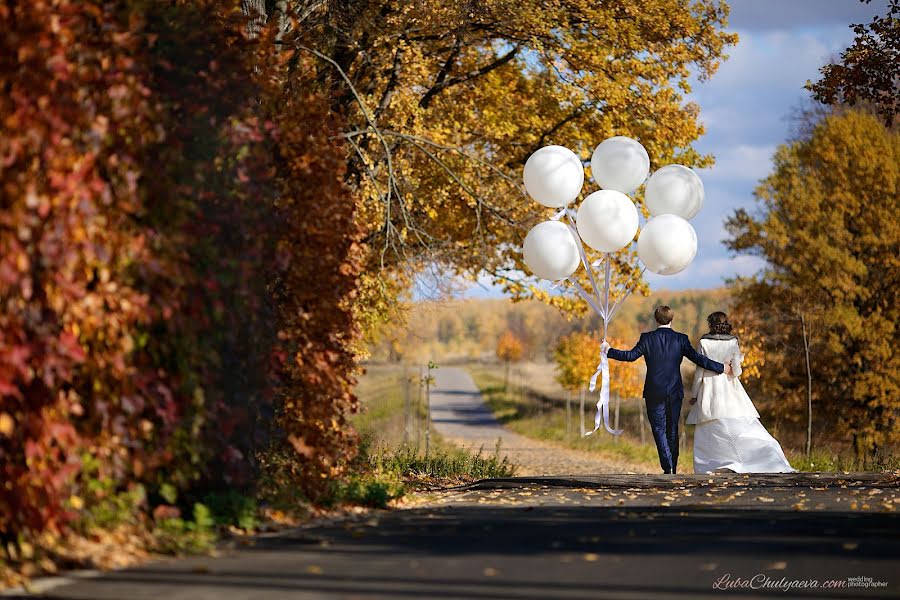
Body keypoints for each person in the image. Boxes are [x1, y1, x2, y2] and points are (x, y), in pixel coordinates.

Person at [602, 305, 732, 474]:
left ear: (656, 320)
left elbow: (629, 356)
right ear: (672, 319)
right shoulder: (681, 339)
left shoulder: (647, 338)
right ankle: (673, 468)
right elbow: (698, 359)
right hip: (674, 391)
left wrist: (608, 350)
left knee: (659, 429)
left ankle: (667, 467)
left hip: (653, 391)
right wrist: (721, 368)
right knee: (672, 430)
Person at [687, 312, 796, 474]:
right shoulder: (733, 341)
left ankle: (713, 464)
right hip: (730, 388)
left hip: (709, 388)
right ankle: (762, 457)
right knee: (739, 423)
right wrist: (739, 360)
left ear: (711, 324)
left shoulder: (703, 342)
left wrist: (694, 394)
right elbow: (737, 372)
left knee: (711, 428)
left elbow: (700, 371)